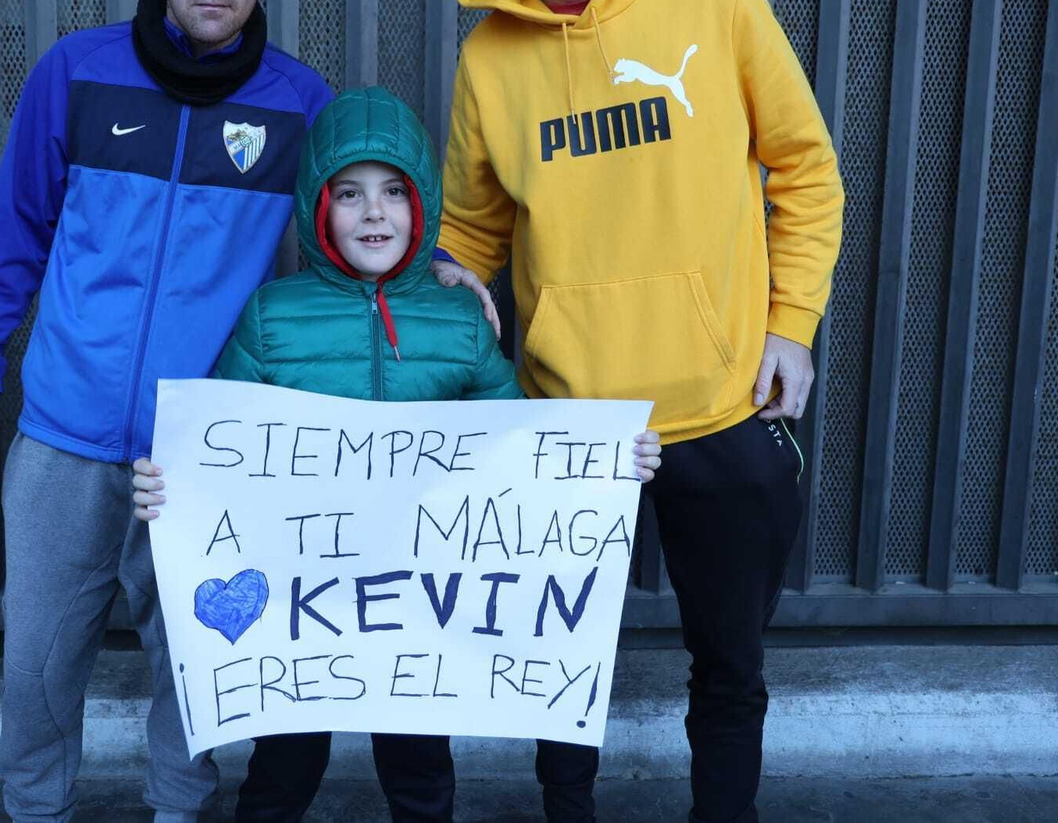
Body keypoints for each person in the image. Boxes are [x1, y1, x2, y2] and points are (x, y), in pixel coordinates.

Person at [428, 0, 845, 823]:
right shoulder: (487, 58)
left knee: (730, 668)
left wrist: (792, 324)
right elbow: (471, 232)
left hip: (722, 407)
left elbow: (805, 168)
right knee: (560, 677)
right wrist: (440, 307)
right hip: (571, 425)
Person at [131, 86, 663, 821]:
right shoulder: (271, 316)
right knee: (285, 766)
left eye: (393, 193)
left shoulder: (461, 322)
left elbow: (517, 445)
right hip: (299, 603)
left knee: (418, 769)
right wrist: (171, 489)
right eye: (349, 194)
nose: (374, 212)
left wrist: (603, 466)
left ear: (423, 208)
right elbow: (220, 440)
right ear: (319, 208)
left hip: (419, 608)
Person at [0, 0, 335, 823]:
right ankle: (35, 809)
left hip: (201, 453)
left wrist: (443, 273)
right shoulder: (75, 74)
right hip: (63, 436)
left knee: (195, 669)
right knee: (36, 665)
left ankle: (177, 811)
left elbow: (362, 238)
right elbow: (14, 234)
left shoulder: (298, 106)